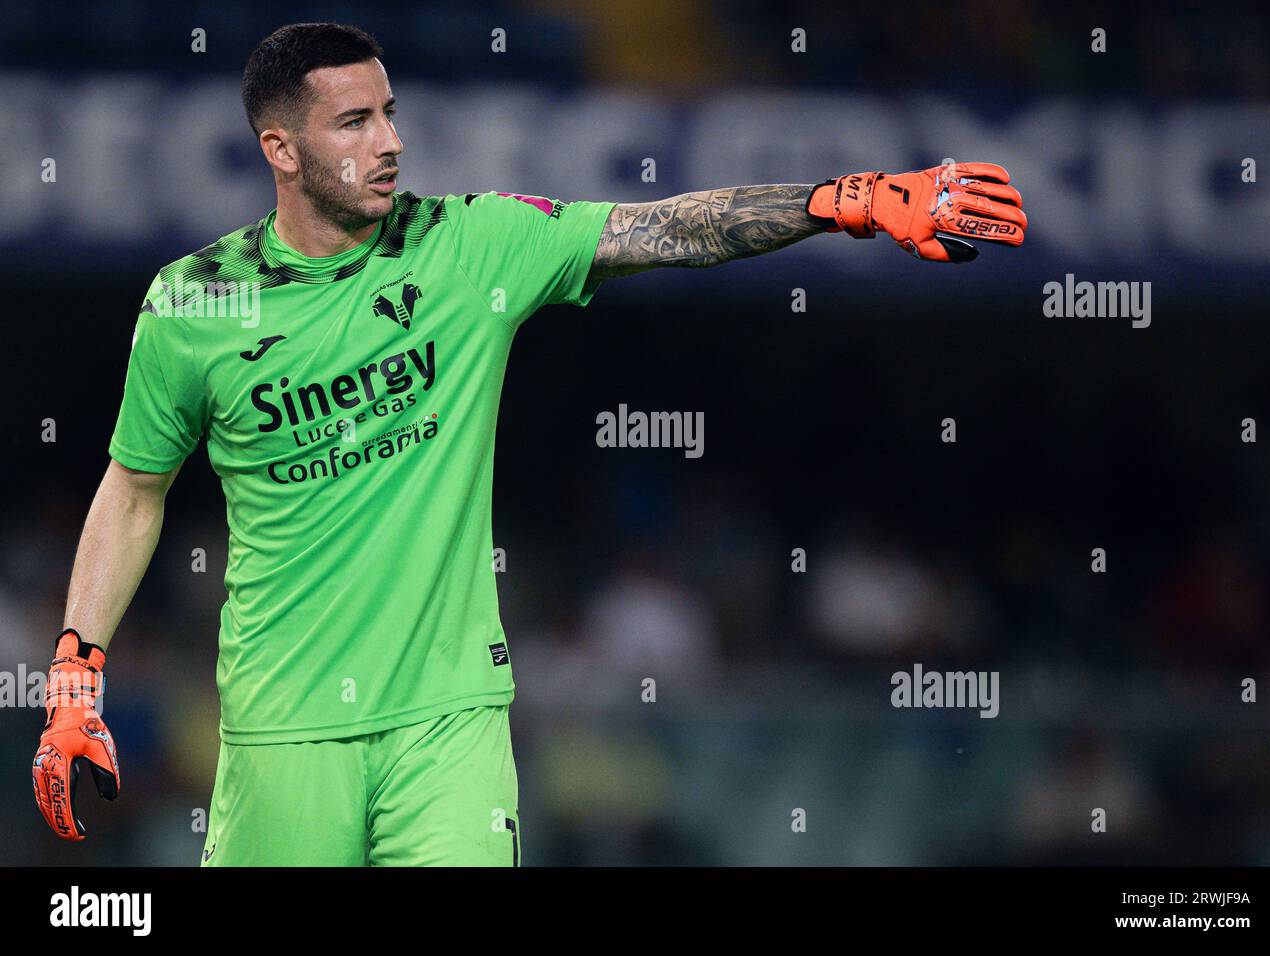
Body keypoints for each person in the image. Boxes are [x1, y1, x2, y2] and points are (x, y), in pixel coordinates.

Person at [31, 21, 1027, 866]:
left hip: (450, 719)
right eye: (354, 121)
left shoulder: (473, 246)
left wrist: (838, 202)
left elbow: (665, 227)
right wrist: (75, 676)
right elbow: (134, 488)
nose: (390, 142)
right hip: (280, 723)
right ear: (280, 149)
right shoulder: (196, 300)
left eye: (390, 113)